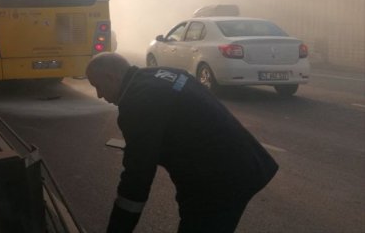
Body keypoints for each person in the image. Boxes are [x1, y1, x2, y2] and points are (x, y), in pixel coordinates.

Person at [86, 52, 278, 233]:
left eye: (98, 86)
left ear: (111, 77)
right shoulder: (162, 74)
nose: (99, 95)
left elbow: (137, 177)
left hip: (221, 181)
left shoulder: (137, 103)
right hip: (244, 163)